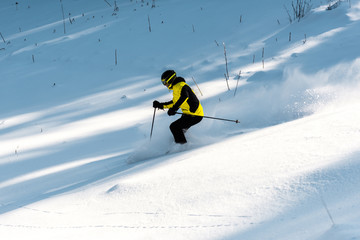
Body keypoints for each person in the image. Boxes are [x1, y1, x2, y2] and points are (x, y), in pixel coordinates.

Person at [153, 70, 204, 144]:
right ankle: (180, 145)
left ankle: (182, 147)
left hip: (195, 115)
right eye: (163, 83)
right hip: (188, 115)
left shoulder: (181, 85)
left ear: (170, 79)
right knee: (178, 131)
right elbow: (174, 102)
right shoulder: (176, 87)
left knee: (174, 127)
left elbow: (184, 97)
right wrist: (160, 105)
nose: (165, 84)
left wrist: (174, 109)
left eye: (165, 82)